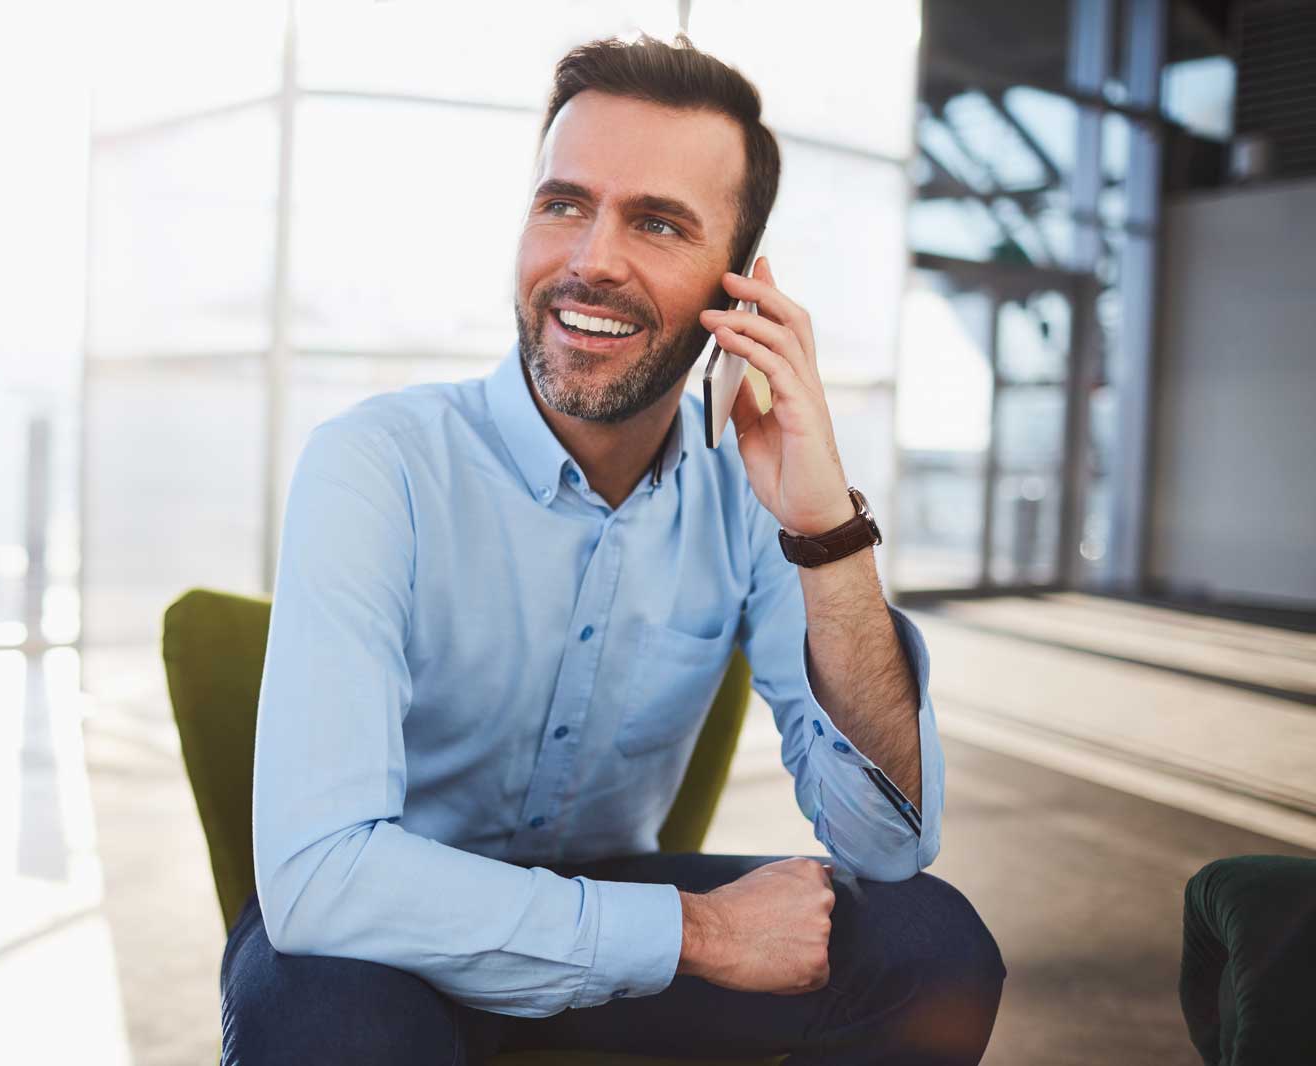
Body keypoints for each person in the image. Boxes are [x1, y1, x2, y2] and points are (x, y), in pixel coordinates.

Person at [225, 33, 1005, 1066]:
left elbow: (886, 842)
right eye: (563, 204)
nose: (591, 258)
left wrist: (826, 533)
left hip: (604, 901)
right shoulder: (378, 464)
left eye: (657, 222)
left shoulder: (751, 494)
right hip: (378, 930)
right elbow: (324, 878)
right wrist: (701, 929)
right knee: (333, 1021)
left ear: (735, 293)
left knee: (933, 947)